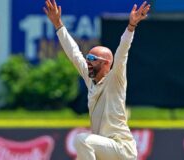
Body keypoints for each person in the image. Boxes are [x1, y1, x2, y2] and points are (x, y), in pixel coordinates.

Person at [44, 0, 150, 159]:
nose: (87, 61)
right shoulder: (90, 79)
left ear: (106, 63)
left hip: (122, 149)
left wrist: (131, 26)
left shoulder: (115, 79)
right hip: (105, 148)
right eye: (87, 57)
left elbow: (122, 52)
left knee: (82, 139)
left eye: (92, 58)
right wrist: (58, 24)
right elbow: (74, 53)